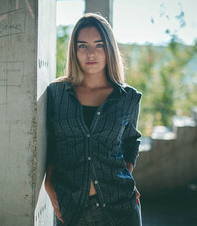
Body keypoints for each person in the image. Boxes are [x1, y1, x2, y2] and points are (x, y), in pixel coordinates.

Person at [45, 13, 142, 226]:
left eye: (99, 45)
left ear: (109, 49)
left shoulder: (128, 98)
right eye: (83, 46)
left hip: (120, 208)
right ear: (74, 50)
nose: (91, 53)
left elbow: (131, 141)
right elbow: (51, 142)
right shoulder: (56, 94)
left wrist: (126, 176)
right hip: (70, 208)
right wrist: (49, 184)